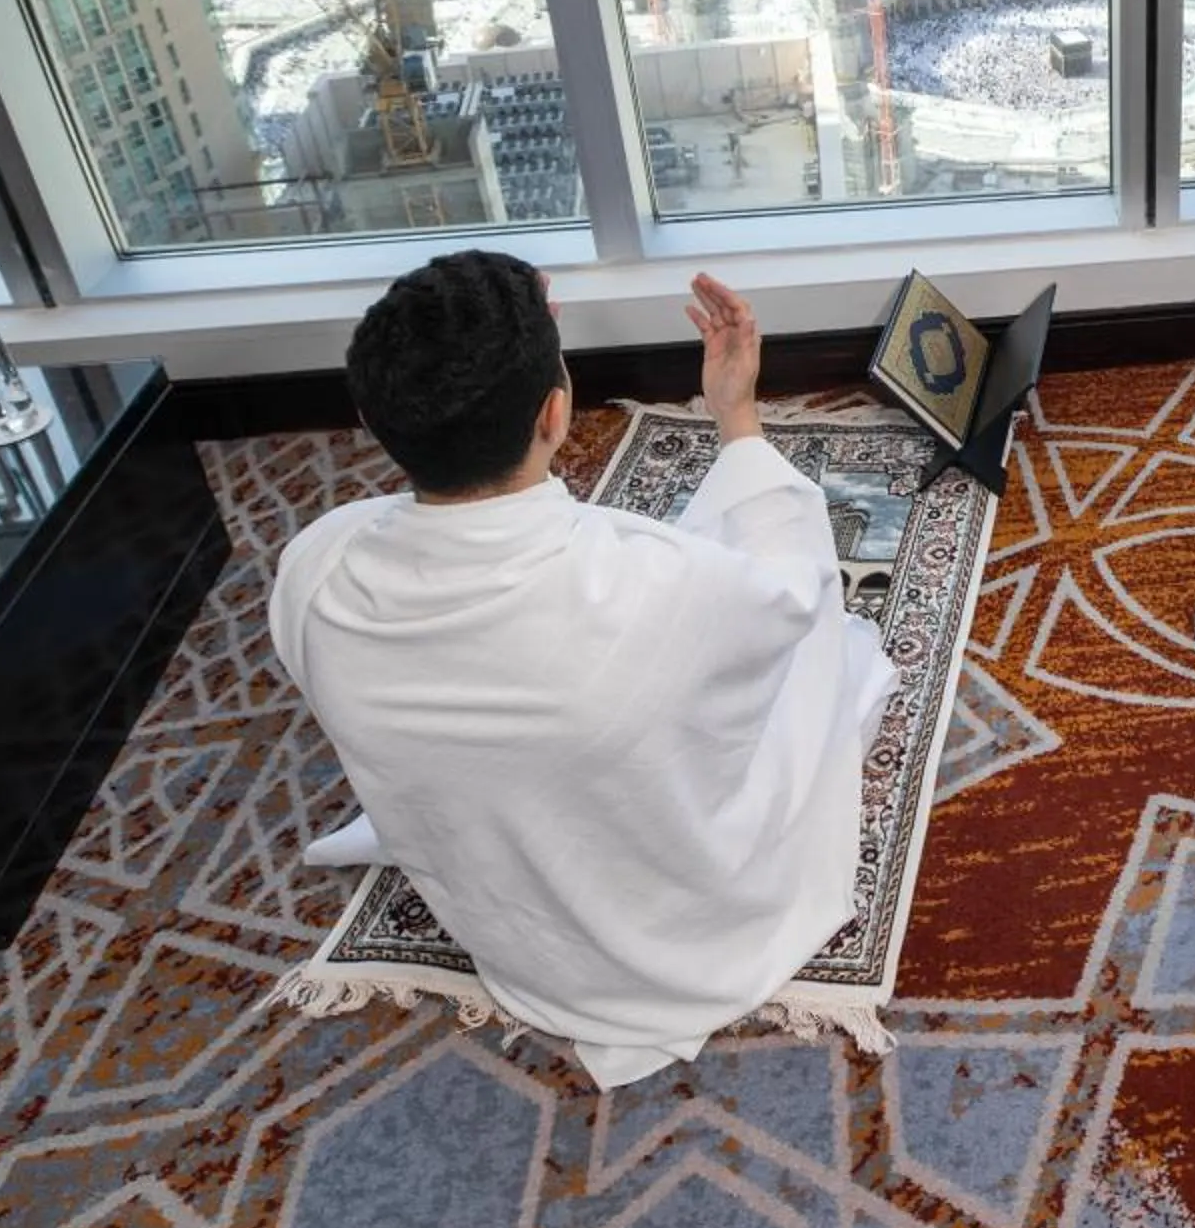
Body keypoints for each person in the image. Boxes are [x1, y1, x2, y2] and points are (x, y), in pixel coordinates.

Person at [268, 250, 895, 1088]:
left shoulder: (315, 567)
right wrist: (736, 414)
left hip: (512, 938)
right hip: (685, 933)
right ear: (557, 412)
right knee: (837, 661)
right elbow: (791, 595)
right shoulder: (653, 584)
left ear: (371, 418)